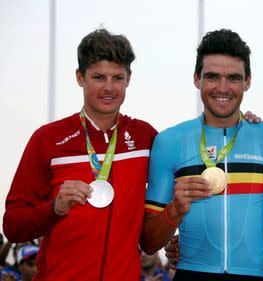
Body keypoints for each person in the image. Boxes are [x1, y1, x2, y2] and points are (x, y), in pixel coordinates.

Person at [3, 28, 158, 280]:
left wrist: (244, 122)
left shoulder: (145, 138)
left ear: (129, 78)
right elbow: (12, 225)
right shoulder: (47, 139)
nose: (109, 88)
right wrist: (55, 208)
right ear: (80, 77)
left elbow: (184, 176)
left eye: (117, 78)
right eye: (99, 77)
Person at [140, 29, 263, 280]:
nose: (222, 88)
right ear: (196, 78)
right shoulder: (169, 141)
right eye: (212, 76)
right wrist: (174, 212)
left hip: (253, 274)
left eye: (233, 78)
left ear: (248, 81)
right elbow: (148, 243)